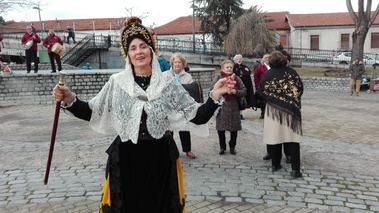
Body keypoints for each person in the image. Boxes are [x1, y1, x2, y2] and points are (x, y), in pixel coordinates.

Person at [52, 17, 236, 213]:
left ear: (151, 50)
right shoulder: (117, 82)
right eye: (133, 48)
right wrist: (70, 98)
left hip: (160, 160)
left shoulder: (168, 83)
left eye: (143, 46)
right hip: (125, 160)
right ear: (127, 54)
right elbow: (92, 112)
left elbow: (197, 116)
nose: (139, 51)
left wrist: (215, 94)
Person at [259, 51, 303, 179]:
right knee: (293, 140)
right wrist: (291, 100)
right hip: (291, 110)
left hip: (273, 111)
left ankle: (275, 164)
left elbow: (261, 91)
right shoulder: (292, 73)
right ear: (284, 60)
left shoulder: (267, 74)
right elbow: (300, 89)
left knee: (274, 138)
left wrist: (272, 100)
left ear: (271, 61)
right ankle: (295, 170)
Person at [163, 53, 197, 159]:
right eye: (175, 62)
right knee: (169, 130)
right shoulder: (165, 75)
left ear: (183, 65)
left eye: (179, 62)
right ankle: (168, 150)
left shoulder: (188, 76)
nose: (177, 64)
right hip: (169, 106)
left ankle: (187, 150)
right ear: (172, 63)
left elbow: (190, 91)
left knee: (184, 128)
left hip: (182, 106)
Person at [213, 59, 246, 155]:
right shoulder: (218, 78)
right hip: (221, 106)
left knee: (234, 129)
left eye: (231, 67)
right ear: (223, 68)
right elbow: (212, 90)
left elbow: (244, 90)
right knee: (221, 129)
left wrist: (235, 92)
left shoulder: (236, 78)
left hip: (234, 106)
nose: (229, 69)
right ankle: (222, 147)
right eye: (227, 67)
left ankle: (232, 147)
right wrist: (222, 91)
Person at [233, 54, 254, 119]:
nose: (239, 60)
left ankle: (240, 114)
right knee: (237, 100)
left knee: (243, 101)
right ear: (234, 60)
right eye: (237, 59)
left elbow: (248, 74)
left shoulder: (245, 67)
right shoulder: (233, 68)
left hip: (245, 87)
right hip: (237, 87)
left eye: (240, 59)